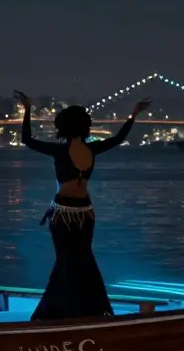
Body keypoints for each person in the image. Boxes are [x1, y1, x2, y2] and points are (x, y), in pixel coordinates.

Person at [14, 91, 151, 320]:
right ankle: (93, 312)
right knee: (84, 260)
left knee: (65, 262)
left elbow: (27, 140)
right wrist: (133, 114)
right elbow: (118, 138)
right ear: (86, 127)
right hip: (85, 213)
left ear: (63, 127)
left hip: (64, 213)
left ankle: (56, 314)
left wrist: (27, 109)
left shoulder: (59, 150)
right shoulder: (92, 149)